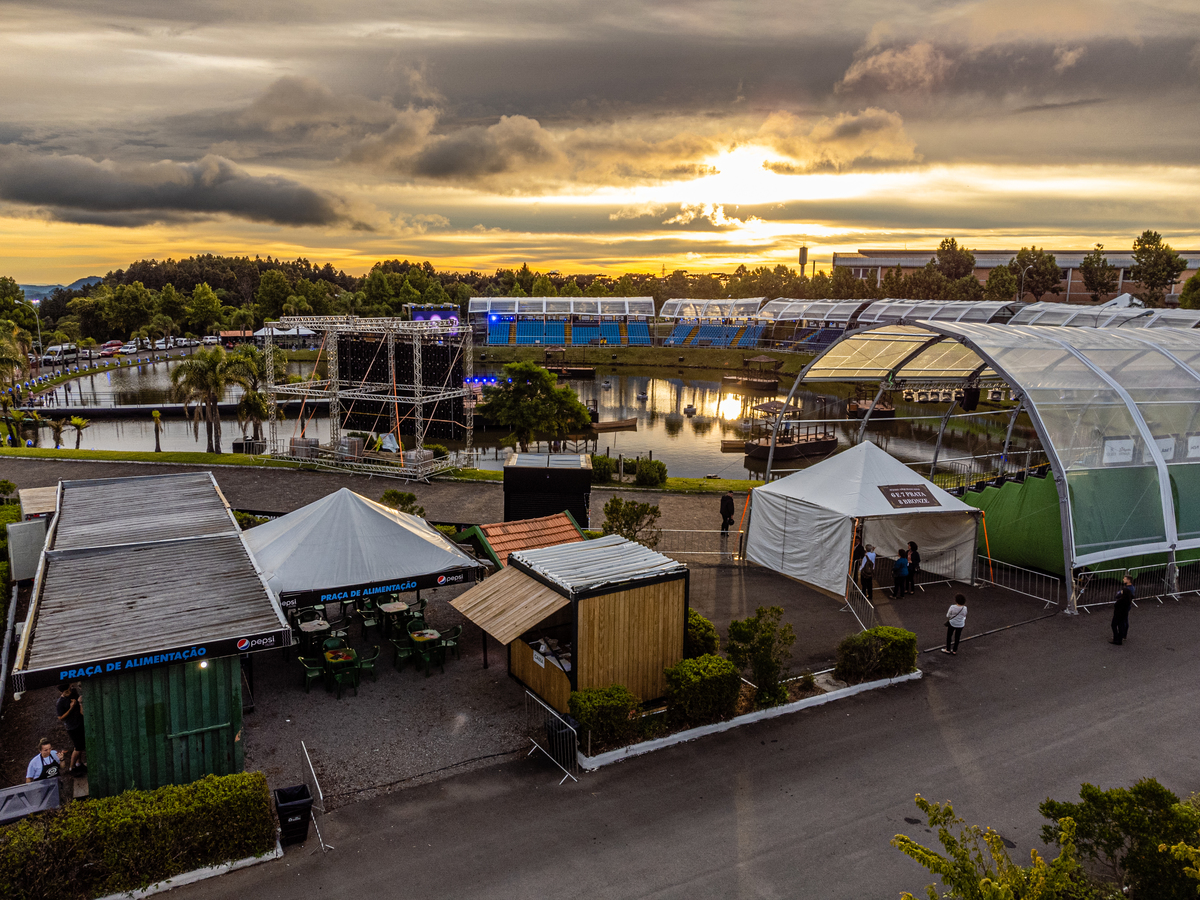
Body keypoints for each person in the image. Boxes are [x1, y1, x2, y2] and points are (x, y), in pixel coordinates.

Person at [56, 681, 86, 775]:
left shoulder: (73, 692)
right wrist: (71, 708)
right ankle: (71, 767)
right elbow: (60, 717)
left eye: (69, 689)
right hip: (72, 726)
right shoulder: (60, 703)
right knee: (77, 747)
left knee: (80, 746)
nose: (69, 692)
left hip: (79, 722)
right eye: (66, 691)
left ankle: (79, 763)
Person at [1110, 575, 1133, 645]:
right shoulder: (1128, 600)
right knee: (1122, 624)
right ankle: (1121, 637)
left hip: (1119, 613)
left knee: (1115, 625)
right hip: (1124, 612)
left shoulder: (1121, 600)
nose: (1123, 580)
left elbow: (1116, 604)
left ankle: (1118, 637)